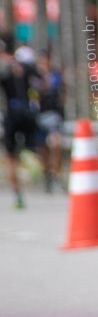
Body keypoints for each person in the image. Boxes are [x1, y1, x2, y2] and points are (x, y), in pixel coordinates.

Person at [1, 37, 41, 209]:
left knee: (10, 157)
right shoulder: (26, 64)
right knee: (32, 146)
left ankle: (18, 194)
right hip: (27, 112)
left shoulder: (4, 68)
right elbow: (41, 80)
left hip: (11, 113)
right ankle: (29, 155)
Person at [35, 49, 66, 193]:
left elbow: (62, 95)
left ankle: (56, 176)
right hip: (39, 116)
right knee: (43, 150)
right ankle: (46, 176)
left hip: (53, 115)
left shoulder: (56, 76)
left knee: (56, 144)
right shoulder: (34, 78)